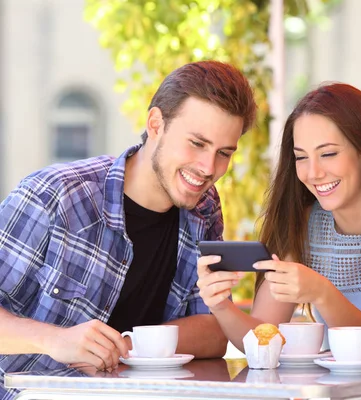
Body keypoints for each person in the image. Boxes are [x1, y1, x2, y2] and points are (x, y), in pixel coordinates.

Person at [0, 61, 256, 399]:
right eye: (196, 143)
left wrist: (127, 345)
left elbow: (212, 332)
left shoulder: (203, 208)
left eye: (223, 153)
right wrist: (54, 340)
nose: (209, 168)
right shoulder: (56, 196)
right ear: (155, 124)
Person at [196, 83, 361, 352]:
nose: (313, 173)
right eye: (301, 158)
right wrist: (221, 305)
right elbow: (263, 338)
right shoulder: (306, 227)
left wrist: (322, 293)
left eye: (328, 154)